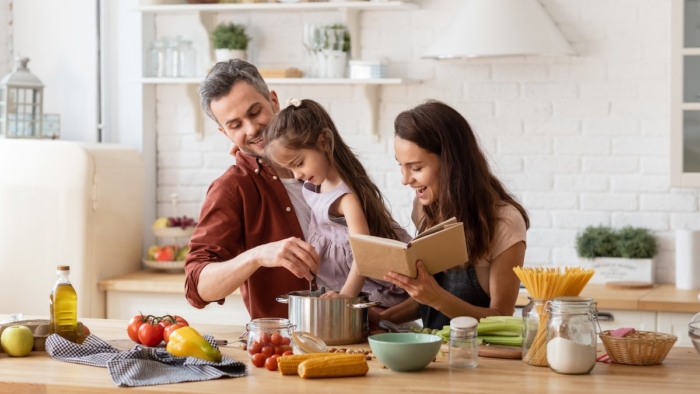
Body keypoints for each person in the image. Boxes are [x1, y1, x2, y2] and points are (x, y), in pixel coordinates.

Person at [184, 60, 321, 319]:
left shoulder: (324, 157)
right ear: (224, 133)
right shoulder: (232, 188)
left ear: (274, 101)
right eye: (235, 125)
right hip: (288, 345)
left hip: (365, 330)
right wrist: (257, 255)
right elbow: (197, 286)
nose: (252, 129)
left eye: (255, 112)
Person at [379, 100, 529, 329]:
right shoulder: (425, 209)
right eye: (401, 166)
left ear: (451, 163)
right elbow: (427, 299)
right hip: (434, 354)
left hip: (480, 359)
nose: (405, 179)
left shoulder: (504, 222)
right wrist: (380, 318)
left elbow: (503, 317)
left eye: (416, 168)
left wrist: (436, 297)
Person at [261, 98, 409, 308]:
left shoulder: (345, 198)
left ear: (322, 143)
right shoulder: (316, 185)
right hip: (339, 287)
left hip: (366, 292)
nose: (297, 174)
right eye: (290, 169)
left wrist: (347, 297)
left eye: (299, 163)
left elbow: (364, 254)